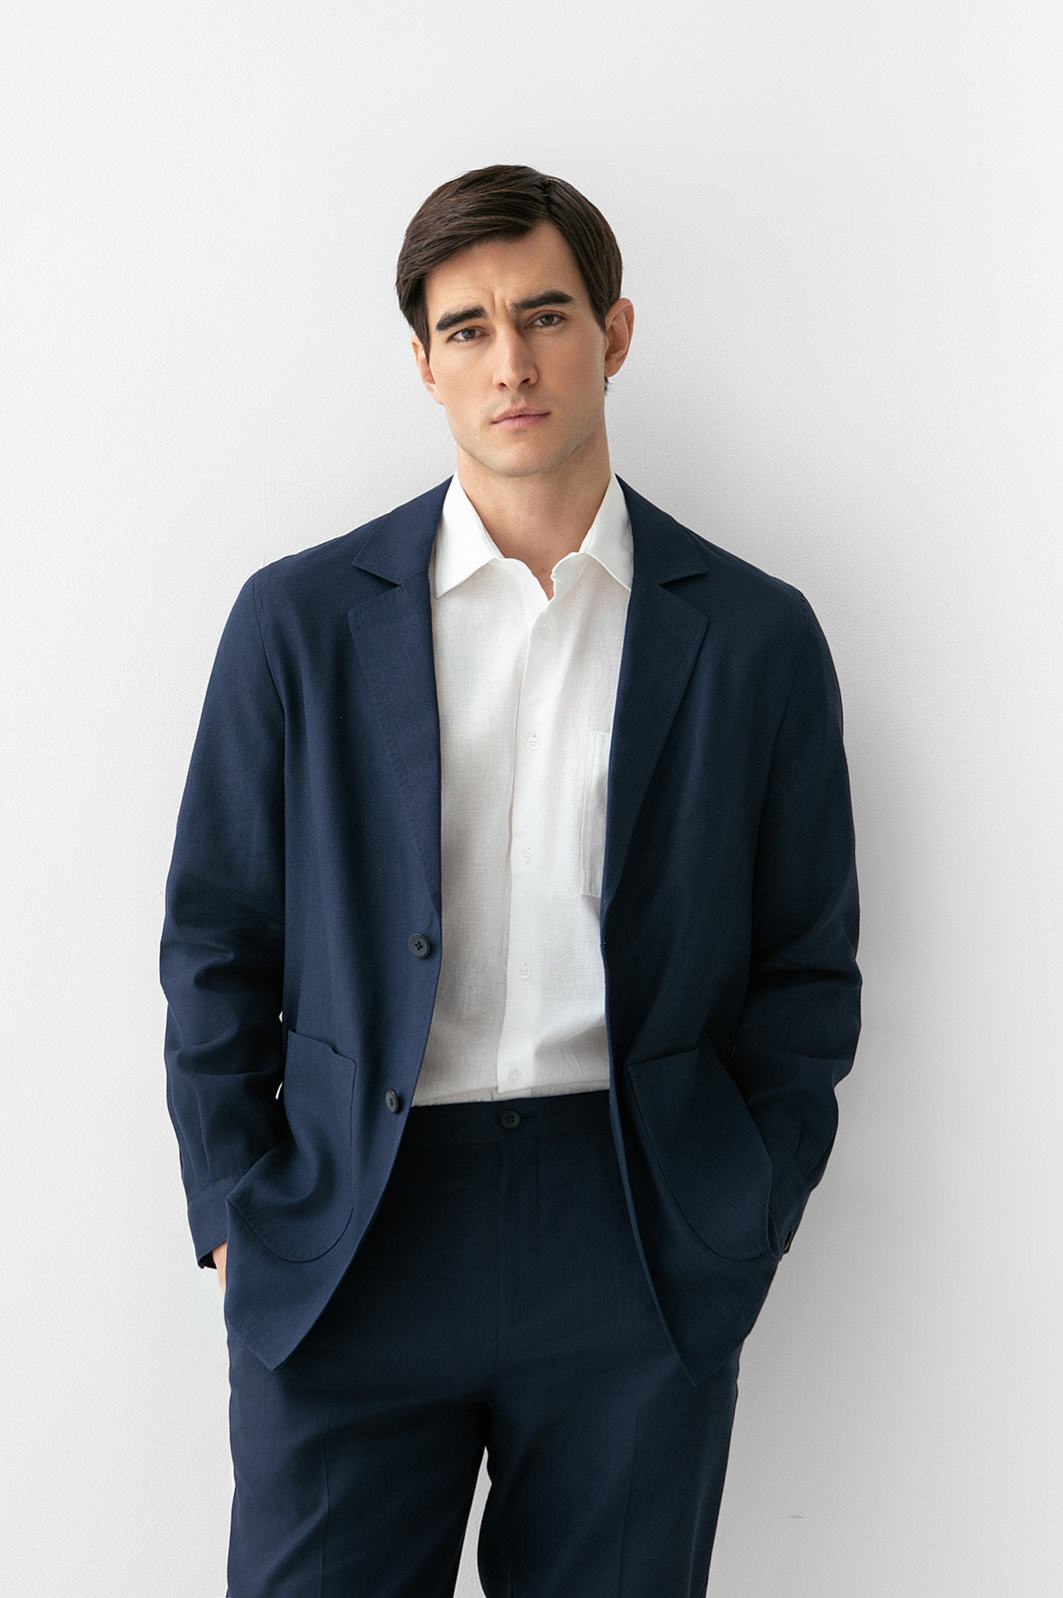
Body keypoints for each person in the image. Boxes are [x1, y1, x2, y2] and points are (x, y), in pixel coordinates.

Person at [161, 164, 861, 1598]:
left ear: (614, 333)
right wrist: (239, 1209)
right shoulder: (299, 623)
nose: (511, 363)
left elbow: (806, 963)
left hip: (635, 1228)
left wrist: (743, 1204)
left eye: (544, 315)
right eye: (467, 328)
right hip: (354, 1231)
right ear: (424, 363)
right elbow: (217, 937)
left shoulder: (754, 636)